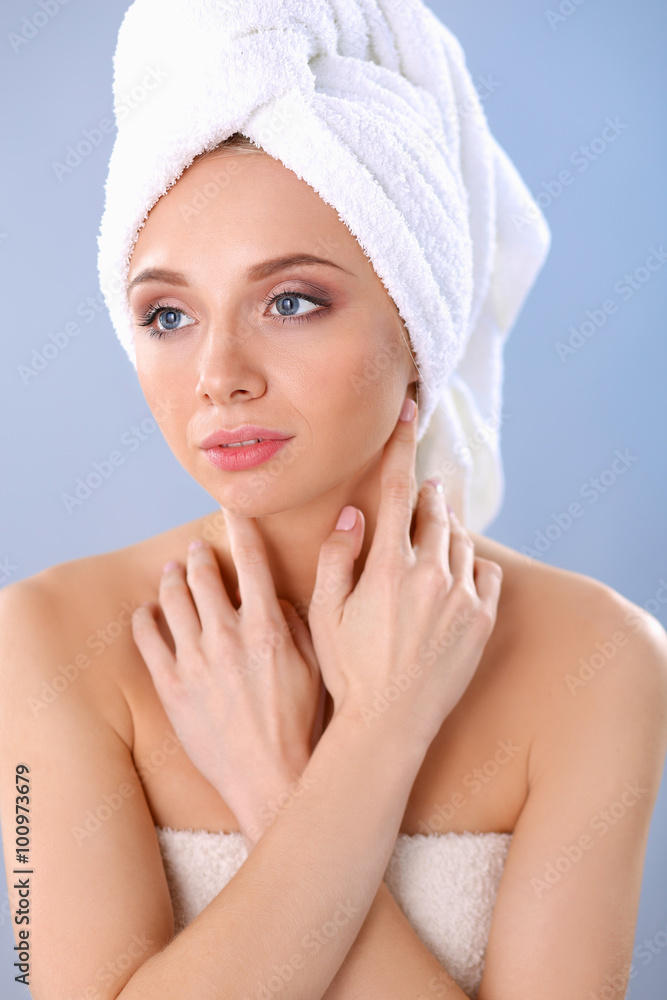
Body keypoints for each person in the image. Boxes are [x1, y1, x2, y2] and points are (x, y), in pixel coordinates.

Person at [2, 3, 667, 1000]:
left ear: (419, 319)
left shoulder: (598, 660)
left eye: (291, 301)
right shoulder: (47, 639)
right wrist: (371, 745)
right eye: (168, 313)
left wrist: (288, 775)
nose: (218, 374)